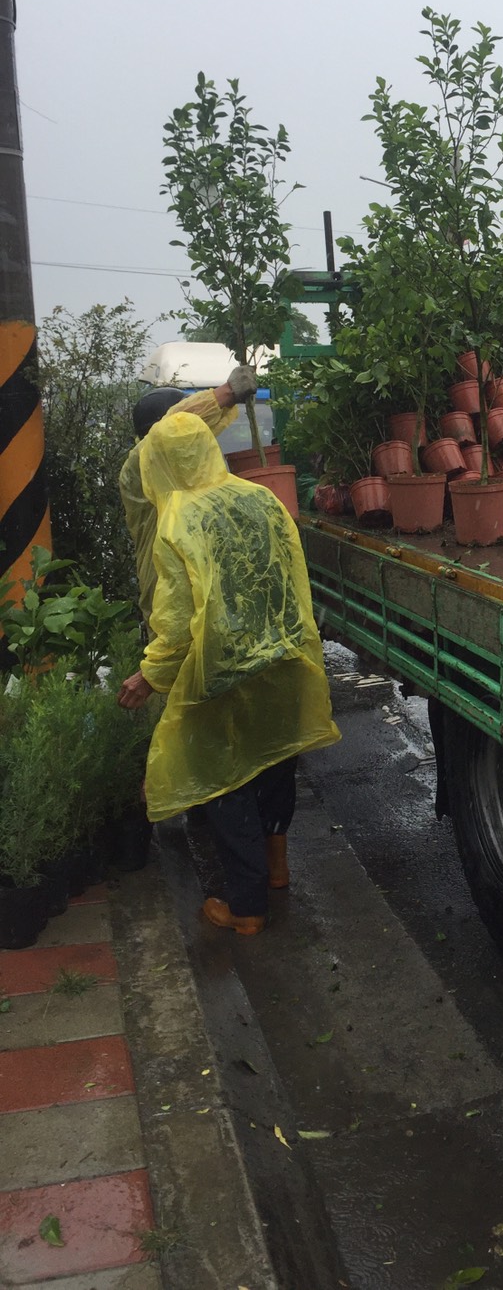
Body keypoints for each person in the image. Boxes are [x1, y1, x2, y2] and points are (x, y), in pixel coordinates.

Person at [117, 413, 339, 935]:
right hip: (282, 654)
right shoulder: (259, 496)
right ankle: (276, 868)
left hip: (224, 667)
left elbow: (175, 621)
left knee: (226, 778)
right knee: (274, 755)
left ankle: (245, 909)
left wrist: (149, 675)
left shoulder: (178, 521)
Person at [121, 367, 259, 626]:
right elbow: (174, 426)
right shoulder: (141, 460)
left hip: (183, 579)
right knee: (171, 653)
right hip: (167, 585)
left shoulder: (168, 465)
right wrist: (227, 392)